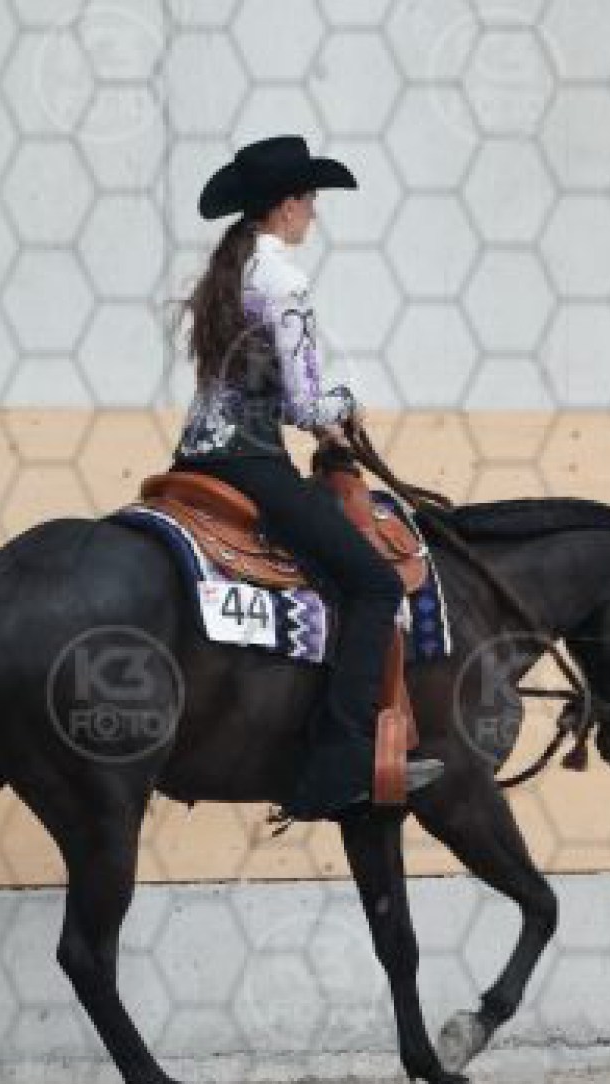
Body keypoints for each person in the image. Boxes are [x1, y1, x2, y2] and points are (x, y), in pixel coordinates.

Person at [172, 134, 443, 820]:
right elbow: (303, 402)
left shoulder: (227, 273)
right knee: (375, 584)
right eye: (311, 199)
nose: (315, 213)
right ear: (287, 205)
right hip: (251, 464)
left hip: (193, 463)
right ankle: (339, 761)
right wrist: (344, 406)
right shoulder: (283, 281)